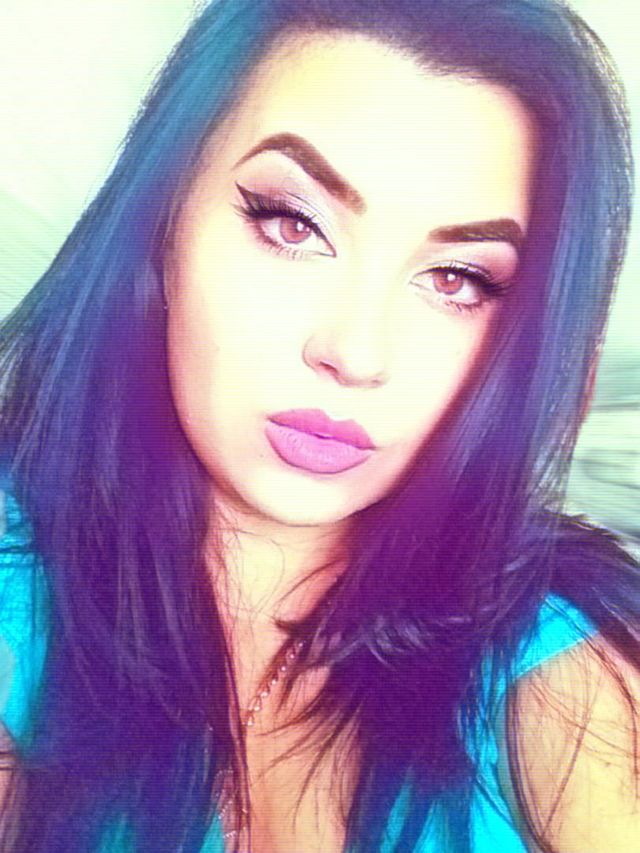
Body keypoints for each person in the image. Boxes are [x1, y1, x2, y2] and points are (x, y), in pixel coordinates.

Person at [0, 0, 637, 850]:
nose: (355, 353)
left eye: (457, 279)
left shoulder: (572, 682)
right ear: (161, 221)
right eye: (291, 224)